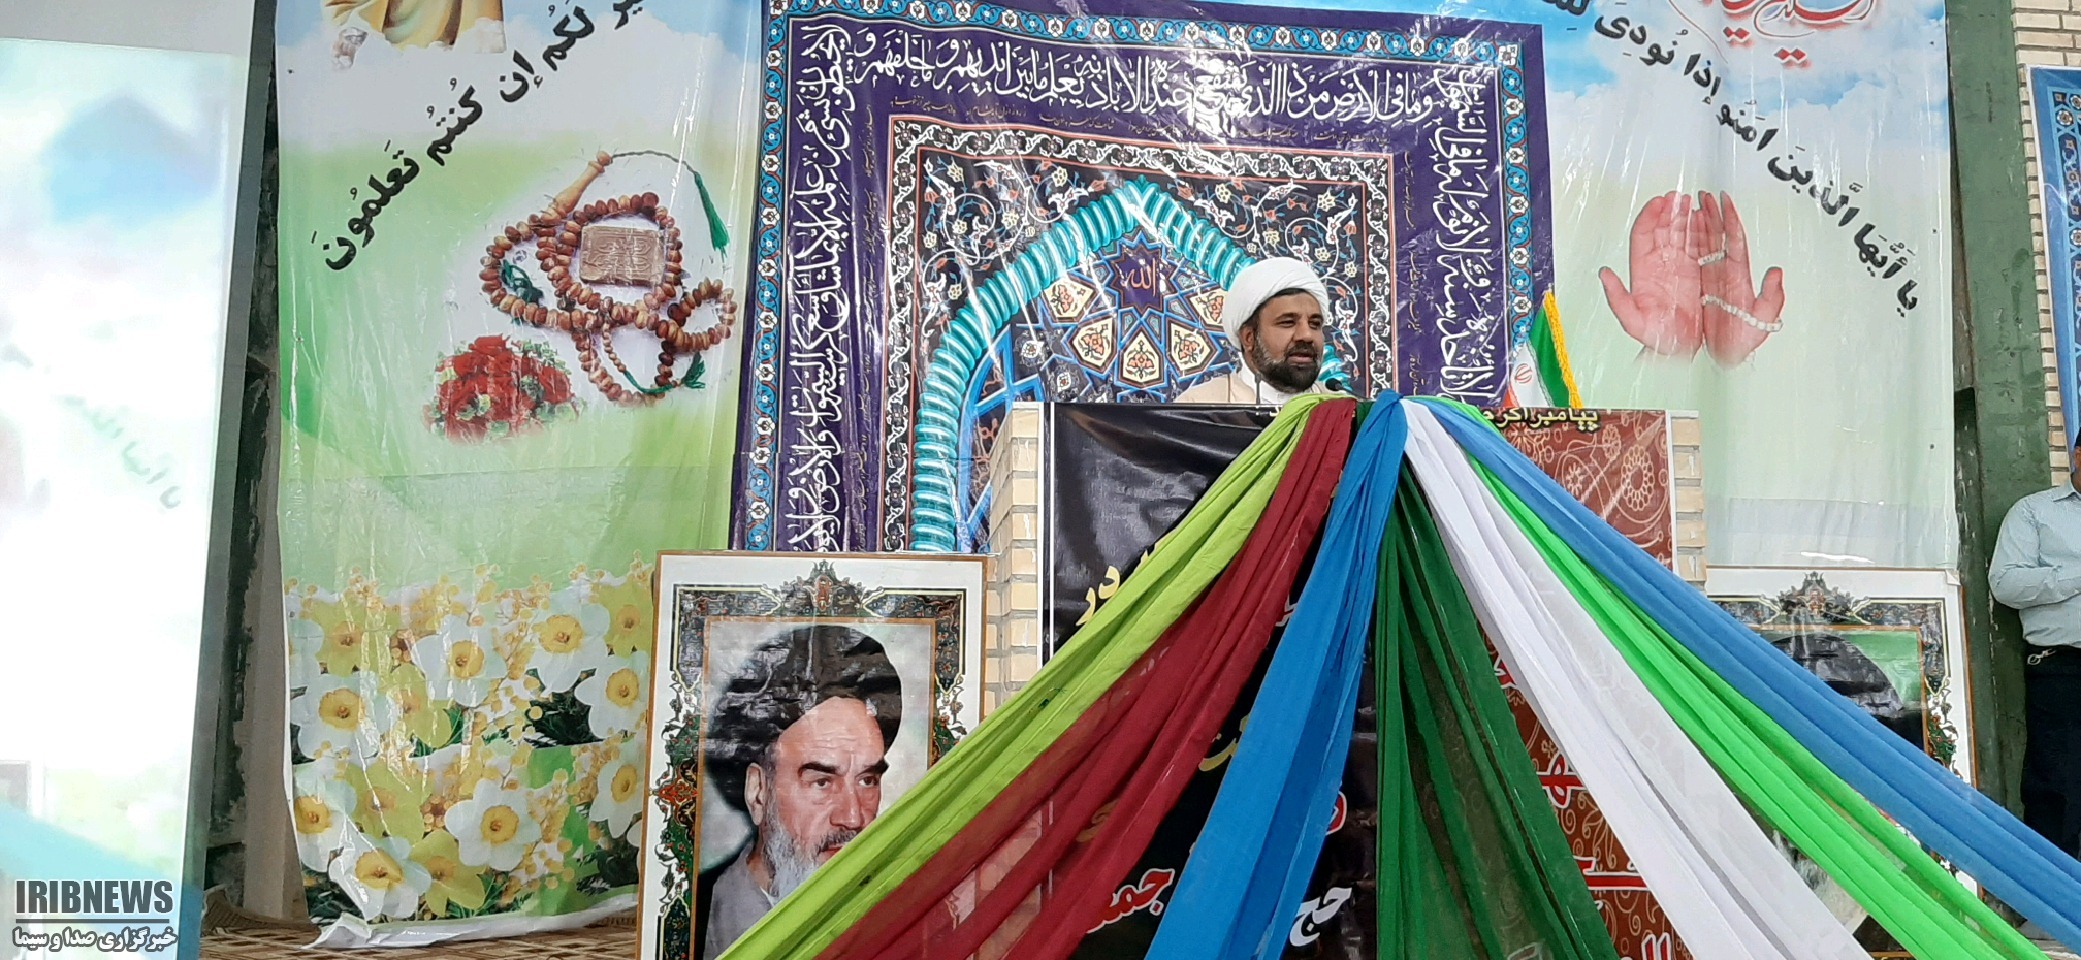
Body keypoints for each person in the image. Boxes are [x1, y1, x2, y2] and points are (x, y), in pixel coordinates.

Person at [696, 625, 904, 957]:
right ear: (758, 792)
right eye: (822, 782)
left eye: (867, 781)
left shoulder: (900, 913)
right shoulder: (695, 920)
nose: (853, 818)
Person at [1990, 439, 2081, 859]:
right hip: (2065, 668)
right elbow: (2006, 584)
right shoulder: (2035, 512)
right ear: (2077, 457)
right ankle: (2054, 892)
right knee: (2059, 790)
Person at [1173, 257, 1339, 408]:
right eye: (1288, 323)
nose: (1307, 335)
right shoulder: (1198, 408)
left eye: (1315, 324)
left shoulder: (1342, 412)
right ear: (1249, 338)